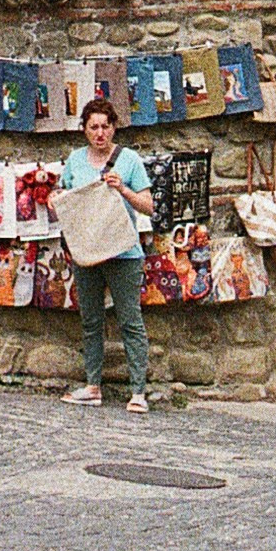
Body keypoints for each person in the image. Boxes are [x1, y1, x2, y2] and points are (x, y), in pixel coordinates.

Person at [59, 95, 154, 411]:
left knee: (130, 320)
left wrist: (123, 189)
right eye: (93, 127)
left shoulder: (129, 161)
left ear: (114, 128)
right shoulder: (74, 161)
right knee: (91, 320)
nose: (99, 133)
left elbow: (148, 206)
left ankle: (138, 391)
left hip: (124, 252)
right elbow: (64, 195)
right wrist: (55, 198)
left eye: (105, 126)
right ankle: (92, 385)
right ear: (84, 130)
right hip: (88, 250)